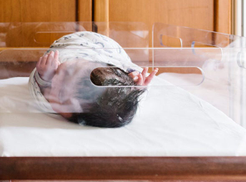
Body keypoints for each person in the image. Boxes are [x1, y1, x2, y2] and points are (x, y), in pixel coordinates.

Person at [29, 31, 157, 127]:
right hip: (102, 48)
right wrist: (135, 81)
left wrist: (45, 78)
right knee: (122, 75)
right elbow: (137, 95)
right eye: (71, 68)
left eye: (60, 92)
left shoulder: (46, 102)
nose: (58, 74)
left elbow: (35, 86)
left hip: (66, 46)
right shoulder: (125, 98)